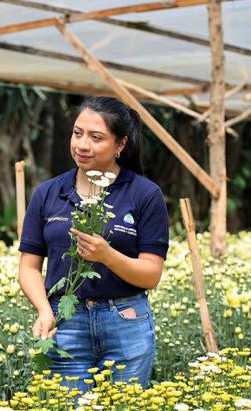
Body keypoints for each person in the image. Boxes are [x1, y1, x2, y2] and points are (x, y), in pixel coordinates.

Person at [18, 96, 169, 393]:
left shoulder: (145, 194)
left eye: (96, 137)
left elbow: (151, 274)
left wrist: (107, 256)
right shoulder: (48, 193)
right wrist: (44, 310)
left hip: (125, 322)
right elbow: (29, 267)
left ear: (120, 144)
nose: (82, 145)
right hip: (65, 322)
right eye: (77, 133)